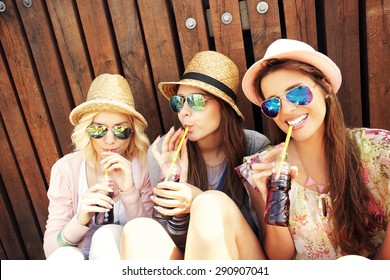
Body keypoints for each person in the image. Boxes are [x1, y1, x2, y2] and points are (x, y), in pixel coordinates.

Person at [235, 38, 390, 259]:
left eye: (297, 93)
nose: (287, 109)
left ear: (325, 87)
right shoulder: (263, 168)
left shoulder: (379, 151)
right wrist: (273, 198)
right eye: (272, 104)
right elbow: (280, 259)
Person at [120, 50, 270, 259]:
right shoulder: (166, 152)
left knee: (210, 203)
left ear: (223, 106)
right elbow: (173, 241)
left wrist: (196, 199)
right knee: (136, 231)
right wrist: (172, 186)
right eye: (179, 102)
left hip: (242, 258)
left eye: (197, 101)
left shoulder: (254, 146)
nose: (184, 112)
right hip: (194, 260)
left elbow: (263, 232)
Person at [43, 73, 153, 259]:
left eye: (120, 130)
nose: (109, 140)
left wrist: (129, 191)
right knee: (66, 258)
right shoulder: (66, 169)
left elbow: (149, 243)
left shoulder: (144, 167)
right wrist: (81, 219)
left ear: (133, 132)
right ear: (86, 131)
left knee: (106, 236)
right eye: (98, 129)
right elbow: (51, 253)